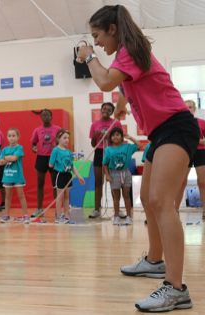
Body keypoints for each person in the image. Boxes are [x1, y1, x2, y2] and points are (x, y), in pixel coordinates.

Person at [78, 4, 199, 311]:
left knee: (160, 201)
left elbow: (105, 81)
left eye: (98, 36)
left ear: (112, 30)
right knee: (147, 197)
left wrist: (87, 55)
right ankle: (156, 261)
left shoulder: (129, 50)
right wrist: (121, 104)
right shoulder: (128, 54)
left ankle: (176, 288)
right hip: (159, 133)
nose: (98, 43)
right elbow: (122, 84)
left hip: (176, 126)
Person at [88, 102, 123, 219]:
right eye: (104, 109)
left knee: (115, 182)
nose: (106, 111)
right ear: (101, 110)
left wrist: (110, 138)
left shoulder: (116, 123)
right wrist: (95, 136)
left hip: (112, 153)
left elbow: (120, 141)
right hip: (99, 153)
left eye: (109, 110)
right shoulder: (94, 125)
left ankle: (117, 209)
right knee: (98, 182)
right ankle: (97, 209)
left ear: (112, 112)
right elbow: (93, 144)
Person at [102, 127, 144, 225]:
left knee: (126, 195)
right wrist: (107, 175)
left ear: (122, 137)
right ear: (110, 138)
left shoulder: (127, 147)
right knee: (116, 196)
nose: (115, 137)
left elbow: (140, 145)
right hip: (114, 174)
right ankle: (116, 216)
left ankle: (129, 216)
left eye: (117, 135)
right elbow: (105, 164)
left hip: (126, 173)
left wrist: (130, 137)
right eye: (113, 135)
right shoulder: (109, 149)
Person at [174, 100, 205, 219]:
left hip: (201, 152)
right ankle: (175, 210)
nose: (188, 109)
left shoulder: (201, 122)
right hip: (185, 152)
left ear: (194, 109)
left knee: (202, 182)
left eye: (190, 107)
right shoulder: (178, 124)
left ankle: (204, 211)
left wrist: (199, 141)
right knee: (181, 182)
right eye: (186, 107)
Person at [49, 129, 85, 223]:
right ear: (58, 139)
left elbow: (72, 166)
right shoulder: (55, 150)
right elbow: (51, 165)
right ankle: (58, 216)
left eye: (68, 138)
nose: (67, 140)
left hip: (68, 175)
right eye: (64, 138)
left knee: (66, 196)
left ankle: (66, 214)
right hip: (59, 175)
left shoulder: (69, 152)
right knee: (59, 196)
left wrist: (79, 176)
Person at [31, 109, 61, 218]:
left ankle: (58, 210)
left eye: (48, 115)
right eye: (43, 115)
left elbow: (63, 143)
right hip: (41, 158)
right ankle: (39, 209)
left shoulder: (58, 129)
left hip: (54, 158)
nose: (46, 116)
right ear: (41, 117)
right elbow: (33, 143)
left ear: (51, 117)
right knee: (40, 184)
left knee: (55, 185)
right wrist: (33, 148)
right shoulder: (37, 130)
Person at [0, 128, 28, 223]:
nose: (11, 138)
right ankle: (6, 215)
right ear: (7, 137)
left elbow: (14, 158)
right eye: (9, 136)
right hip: (7, 176)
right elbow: (0, 162)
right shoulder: (5, 149)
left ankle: (25, 215)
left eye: (13, 136)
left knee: (21, 195)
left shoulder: (19, 148)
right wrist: (7, 158)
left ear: (18, 137)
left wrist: (6, 157)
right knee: (7, 196)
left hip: (18, 176)